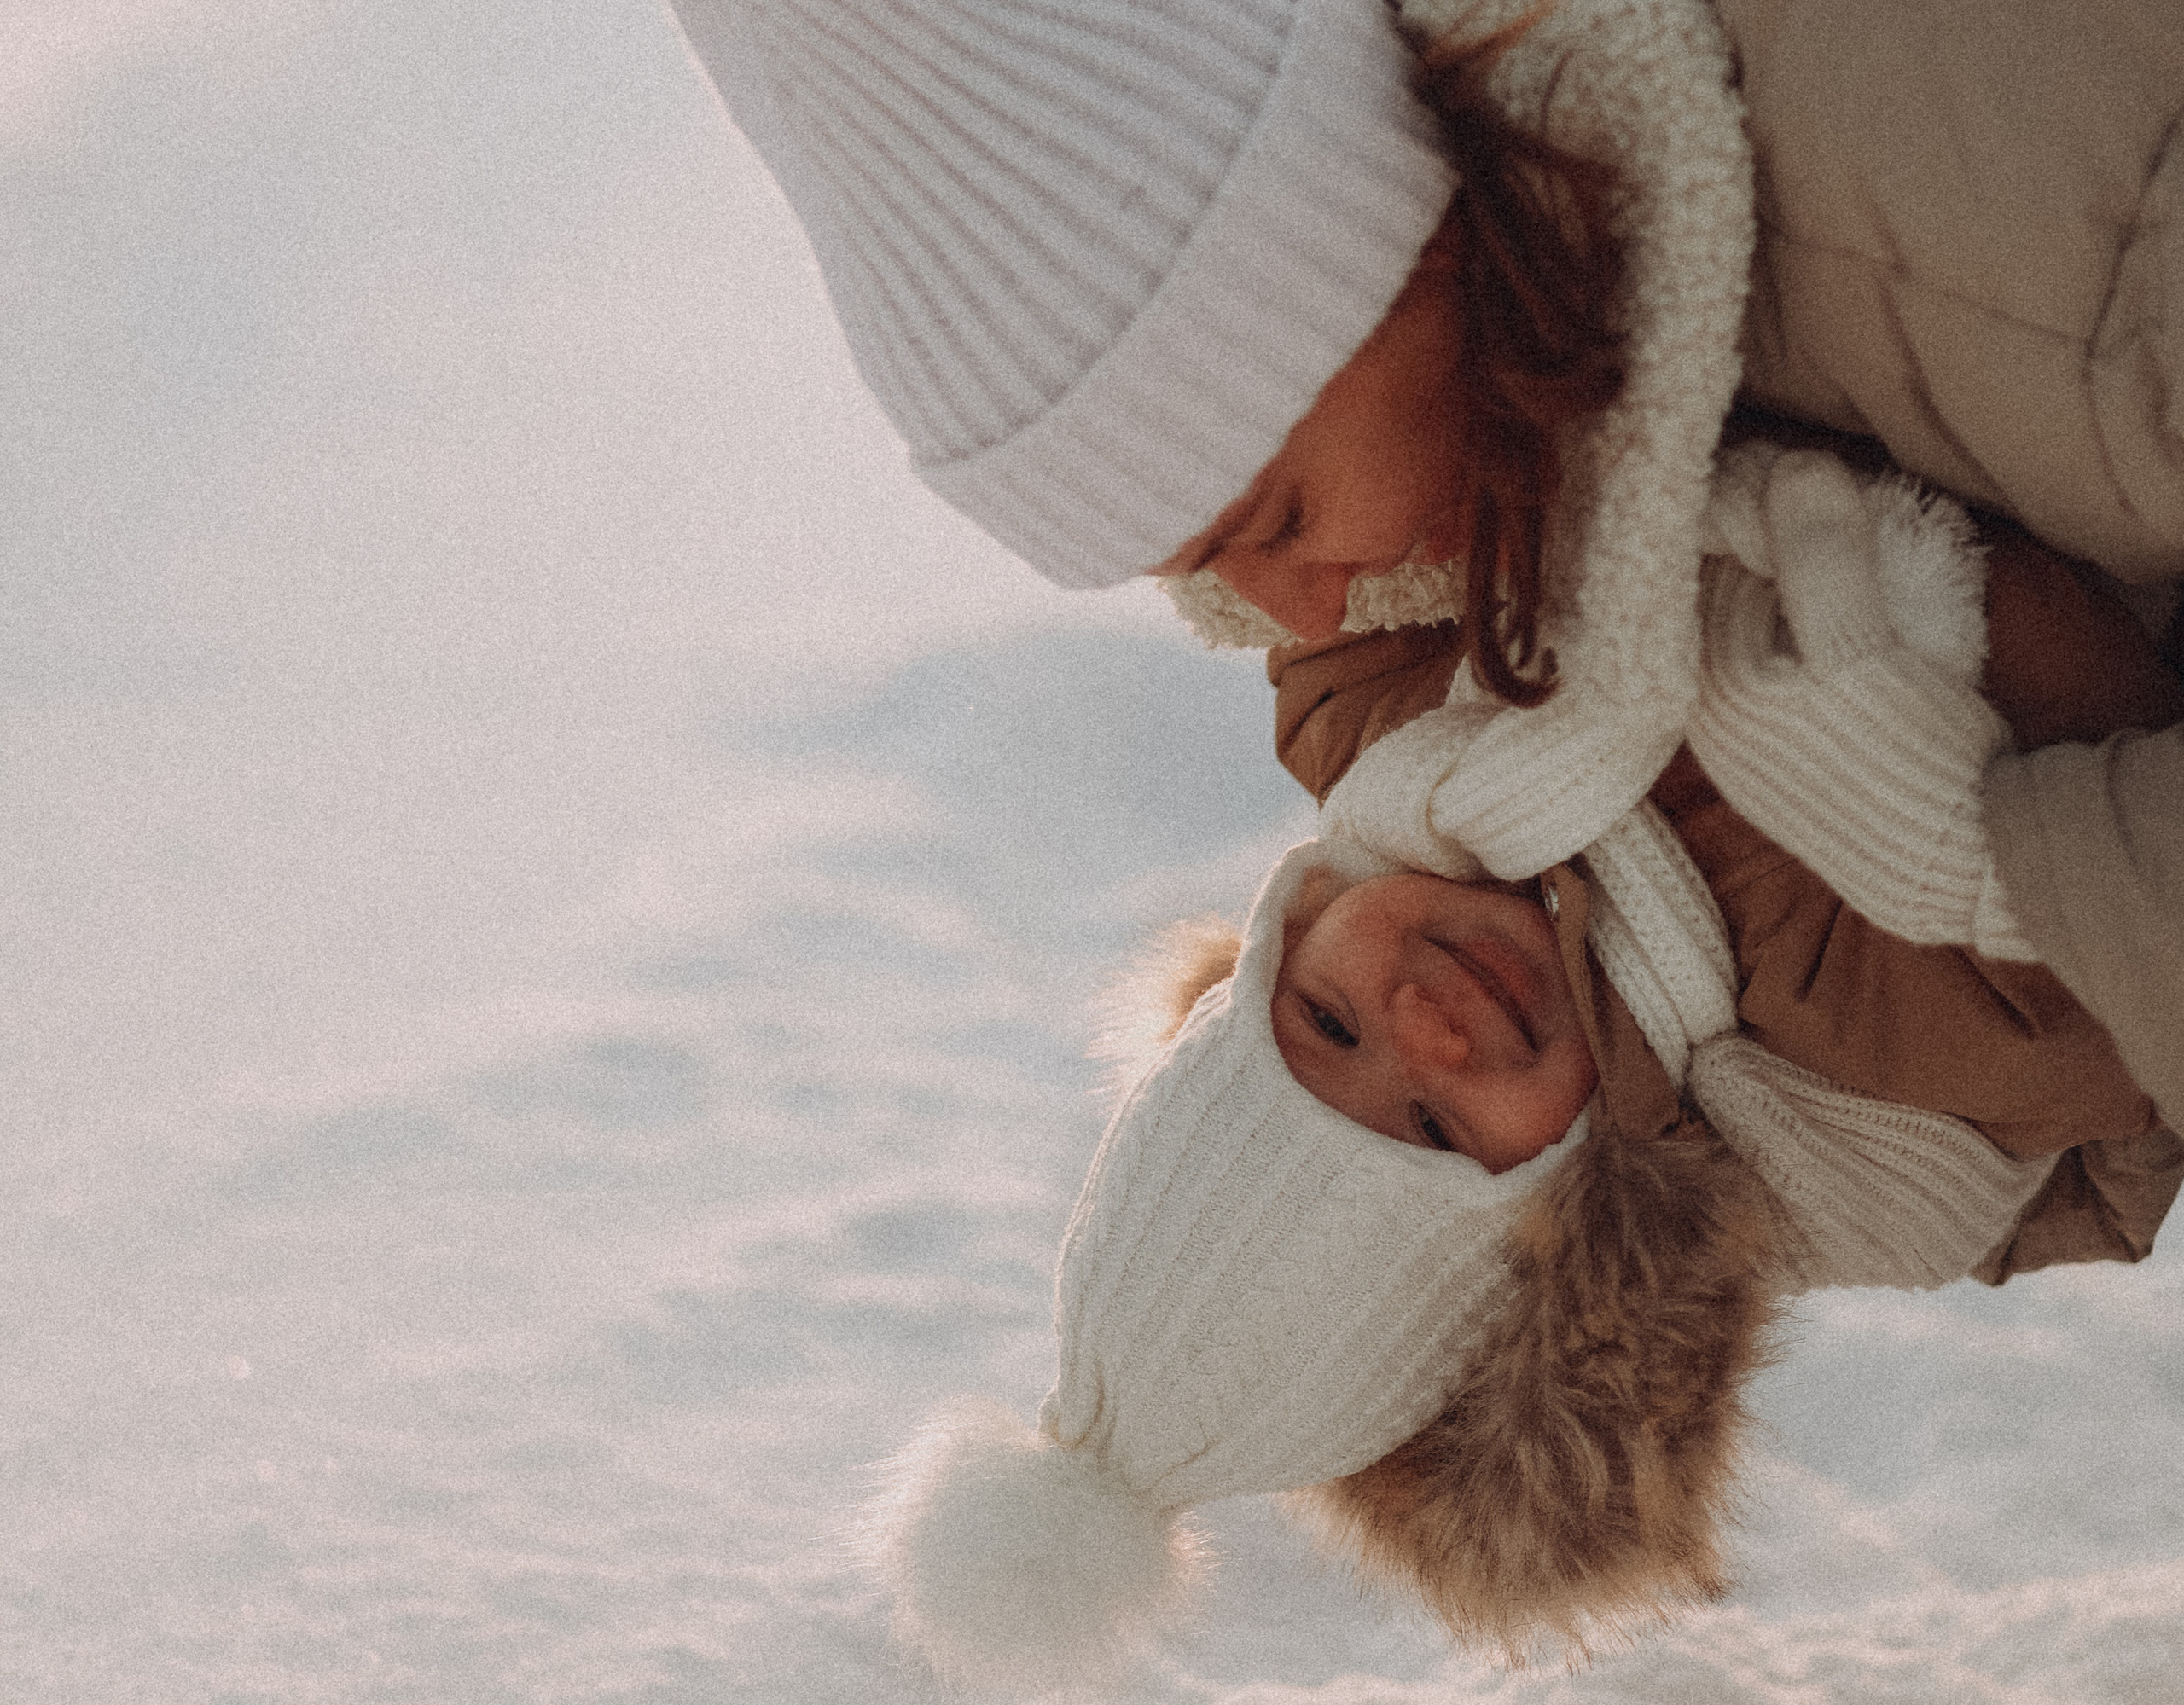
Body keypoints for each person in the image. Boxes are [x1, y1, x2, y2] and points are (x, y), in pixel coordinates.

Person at [636, 0, 2183, 1135]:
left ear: (1387, 263)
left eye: (1275, 518)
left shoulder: (2052, 291)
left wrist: (2043, 850)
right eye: (1205, 567)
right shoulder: (1515, 6)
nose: (1294, 603)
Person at [865, 451, 2181, 1691]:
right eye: (1438, 1130)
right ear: (1562, 1234)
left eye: (1326, 1025)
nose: (1426, 1027)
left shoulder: (1384, 735)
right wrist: (1768, 727)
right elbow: (2119, 879)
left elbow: (1341, 478)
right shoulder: (1864, 1053)